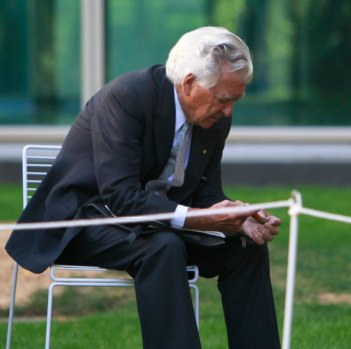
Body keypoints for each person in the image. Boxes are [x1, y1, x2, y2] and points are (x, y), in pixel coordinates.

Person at [6, 26, 281, 349]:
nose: (229, 111)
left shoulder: (214, 115)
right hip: (84, 220)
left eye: (235, 100)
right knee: (163, 247)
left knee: (245, 246)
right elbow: (120, 197)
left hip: (155, 222)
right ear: (189, 83)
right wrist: (197, 217)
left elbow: (206, 192)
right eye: (223, 99)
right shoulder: (127, 96)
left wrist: (236, 216)